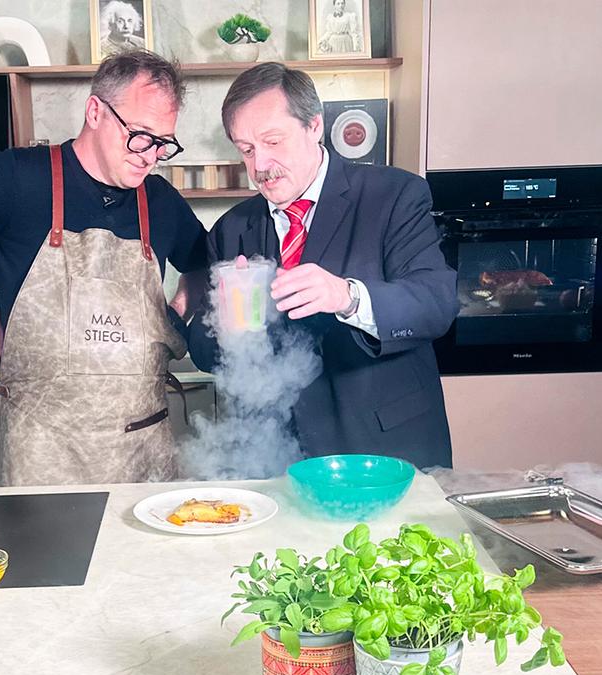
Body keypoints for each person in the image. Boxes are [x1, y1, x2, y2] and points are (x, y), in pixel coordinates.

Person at [0, 51, 208, 486]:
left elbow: (206, 267)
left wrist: (174, 319)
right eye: (141, 136)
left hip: (143, 451)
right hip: (43, 453)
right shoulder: (16, 178)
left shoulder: (160, 201)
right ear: (95, 112)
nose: (151, 156)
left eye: (164, 142)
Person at [187, 63, 459, 468]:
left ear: (314, 126)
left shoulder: (394, 195)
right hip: (278, 456)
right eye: (246, 149)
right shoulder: (232, 229)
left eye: (272, 141)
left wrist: (346, 296)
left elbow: (435, 304)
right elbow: (205, 354)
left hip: (385, 448)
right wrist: (227, 326)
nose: (260, 165)